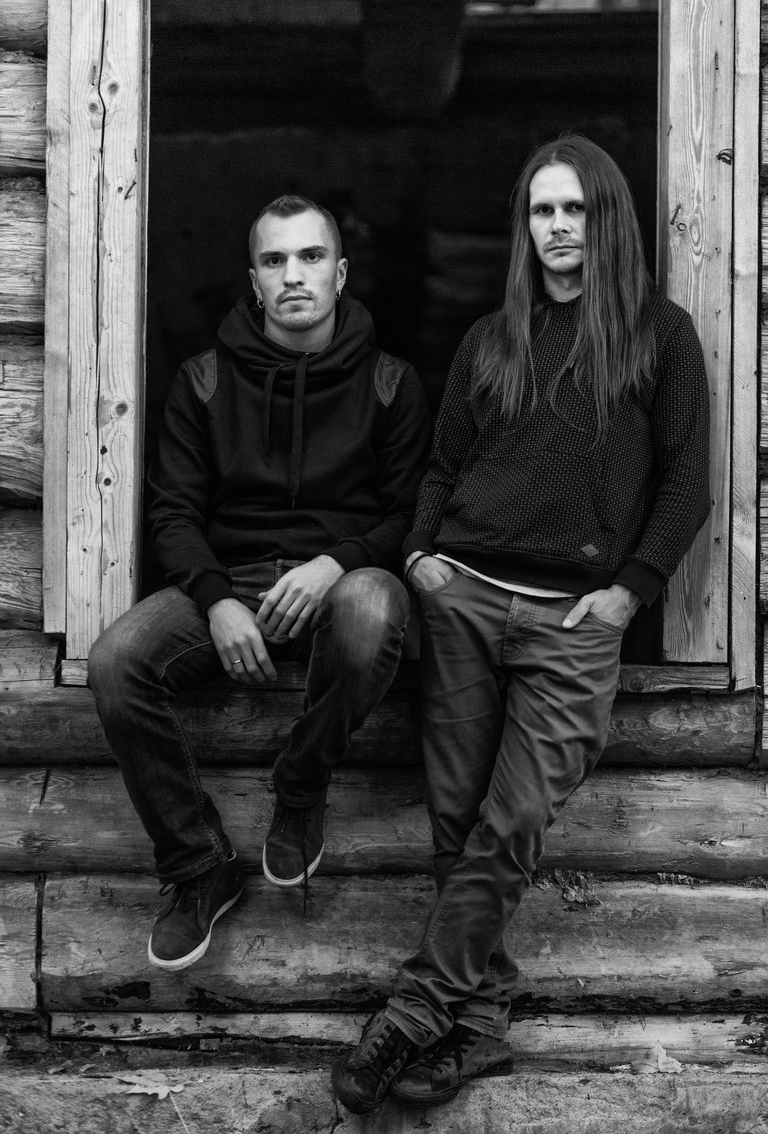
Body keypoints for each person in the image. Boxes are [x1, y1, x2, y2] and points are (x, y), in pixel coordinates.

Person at [331, 135, 711, 1112]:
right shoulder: (490, 339)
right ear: (524, 225)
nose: (556, 228)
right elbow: (444, 467)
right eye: (542, 210)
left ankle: (413, 1011)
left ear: (606, 218)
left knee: (510, 822)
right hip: (461, 599)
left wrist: (627, 594)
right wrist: (420, 556)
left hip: (571, 621)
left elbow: (685, 483)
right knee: (458, 821)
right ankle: (482, 1027)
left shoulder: (658, 337)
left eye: (574, 209)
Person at [88, 195, 430, 972]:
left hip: (341, 581)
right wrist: (216, 602)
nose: (293, 275)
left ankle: (300, 787)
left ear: (341, 272)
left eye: (311, 256)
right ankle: (198, 863)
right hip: (232, 581)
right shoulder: (204, 380)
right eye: (275, 260)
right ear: (253, 280)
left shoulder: (391, 382)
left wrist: (335, 563)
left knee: (374, 604)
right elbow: (173, 513)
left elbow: (411, 512)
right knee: (116, 660)